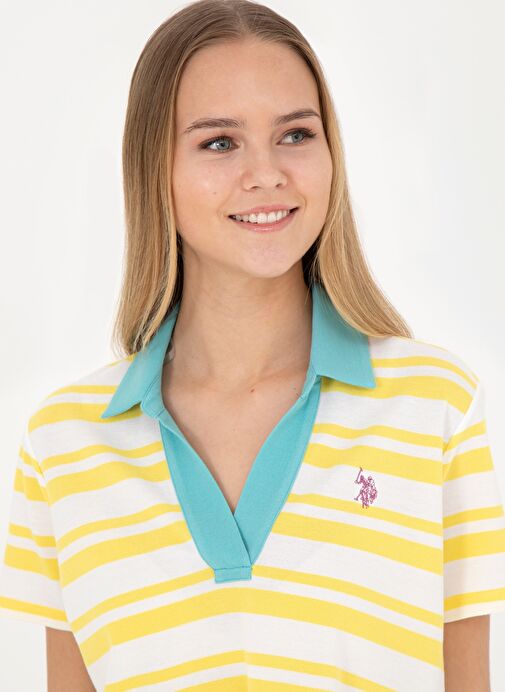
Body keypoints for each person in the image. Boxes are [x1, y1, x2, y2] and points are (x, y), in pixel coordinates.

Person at [1, 1, 504, 690]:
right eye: (219, 142)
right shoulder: (64, 445)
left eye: (295, 134)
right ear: (153, 169)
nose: (266, 174)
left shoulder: (435, 408)